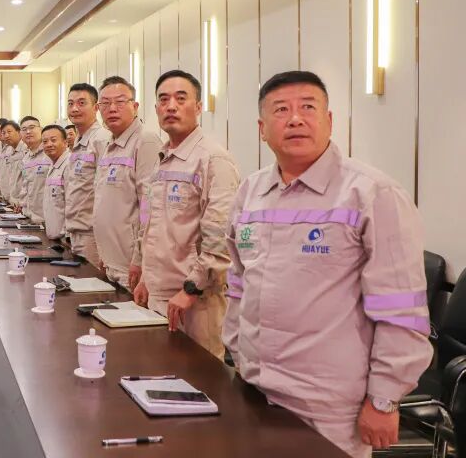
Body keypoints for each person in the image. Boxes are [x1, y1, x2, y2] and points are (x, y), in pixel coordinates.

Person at [223, 71, 432, 457]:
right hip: (255, 390)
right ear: (262, 129)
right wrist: (237, 350)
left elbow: (401, 310)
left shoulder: (370, 193)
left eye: (308, 107)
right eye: (281, 110)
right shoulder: (251, 192)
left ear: (330, 120)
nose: (295, 119)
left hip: (329, 407)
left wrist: (384, 399)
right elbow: (238, 282)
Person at [132, 70, 238, 360]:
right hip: (158, 295)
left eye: (181, 99)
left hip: (196, 302)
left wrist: (191, 290)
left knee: (197, 379)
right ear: (156, 109)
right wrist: (145, 276)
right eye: (164, 100)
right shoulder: (162, 159)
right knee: (159, 372)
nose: (171, 106)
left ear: (199, 106)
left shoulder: (213, 159)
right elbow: (151, 222)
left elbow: (220, 237)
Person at [91, 77, 162, 289]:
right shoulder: (108, 144)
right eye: (105, 103)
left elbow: (150, 207)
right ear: (98, 109)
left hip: (132, 267)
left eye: (120, 102)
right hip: (112, 262)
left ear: (135, 106)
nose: (112, 108)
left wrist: (140, 261)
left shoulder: (145, 141)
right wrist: (104, 254)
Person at [63, 84, 110, 267]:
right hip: (77, 231)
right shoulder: (79, 141)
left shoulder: (101, 139)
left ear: (96, 107)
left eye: (82, 103)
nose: (74, 108)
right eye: (70, 103)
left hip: (93, 235)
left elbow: (106, 192)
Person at [13, 116, 48, 224]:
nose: (28, 132)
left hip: (45, 219)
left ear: (41, 129)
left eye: (32, 127)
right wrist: (21, 203)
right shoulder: (26, 157)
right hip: (28, 216)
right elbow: (25, 183)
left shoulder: (50, 153)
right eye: (24, 129)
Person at [40, 124, 70, 240]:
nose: (49, 144)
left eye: (53, 140)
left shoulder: (69, 165)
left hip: (66, 238)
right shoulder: (53, 165)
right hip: (54, 235)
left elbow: (73, 204)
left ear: (65, 142)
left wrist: (68, 236)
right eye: (45, 142)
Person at [0, 120, 24, 203]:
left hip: (22, 201)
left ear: (18, 132)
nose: (6, 135)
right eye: (4, 133)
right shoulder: (9, 150)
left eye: (9, 132)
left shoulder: (26, 150)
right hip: (11, 198)